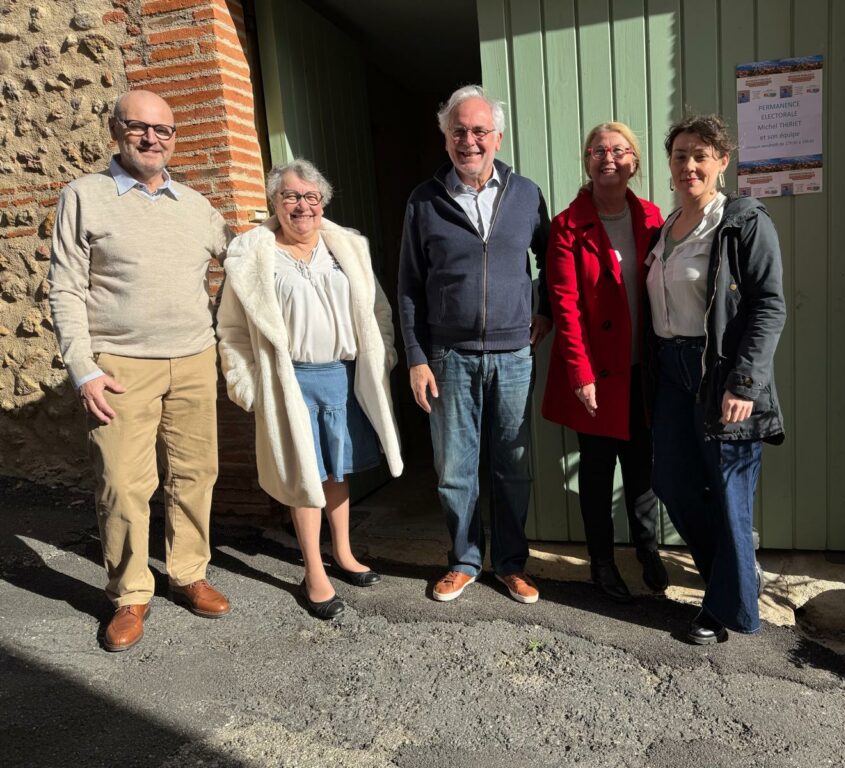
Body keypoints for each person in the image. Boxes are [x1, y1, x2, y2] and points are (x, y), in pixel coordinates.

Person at [49, 89, 233, 651]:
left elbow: (245, 265)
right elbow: (63, 288)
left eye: (164, 130)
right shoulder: (84, 196)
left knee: (195, 473)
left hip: (195, 358)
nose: (152, 138)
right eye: (139, 127)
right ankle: (130, 595)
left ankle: (188, 572)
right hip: (120, 365)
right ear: (116, 130)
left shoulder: (197, 206)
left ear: (175, 138)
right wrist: (83, 369)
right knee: (124, 484)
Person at [217, 159, 403, 620]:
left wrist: (385, 356)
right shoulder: (252, 255)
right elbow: (233, 332)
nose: (302, 206)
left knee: (337, 471)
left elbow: (377, 310)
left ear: (323, 202)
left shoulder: (347, 248)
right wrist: (250, 386)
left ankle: (343, 552)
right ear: (274, 203)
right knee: (305, 477)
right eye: (290, 197)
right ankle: (314, 571)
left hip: (341, 376)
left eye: (310, 197)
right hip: (289, 381)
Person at [398, 85, 551, 604]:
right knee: (455, 468)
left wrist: (545, 310)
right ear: (445, 139)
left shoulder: (526, 193)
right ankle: (464, 559)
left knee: (511, 465)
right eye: (458, 131)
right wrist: (417, 358)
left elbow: (551, 258)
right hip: (449, 356)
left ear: (497, 137)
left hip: (513, 354)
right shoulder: (424, 200)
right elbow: (409, 287)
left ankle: (510, 564)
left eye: (479, 131)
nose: (470, 140)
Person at [647, 114, 785, 644]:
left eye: (701, 155)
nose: (689, 165)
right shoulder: (667, 226)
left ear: (722, 162)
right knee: (673, 483)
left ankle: (725, 608)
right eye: (681, 155)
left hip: (721, 373)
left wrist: (744, 382)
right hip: (671, 371)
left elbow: (768, 306)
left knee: (729, 492)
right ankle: (735, 578)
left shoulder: (742, 221)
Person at [542, 122, 668, 602]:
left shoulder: (654, 218)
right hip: (595, 374)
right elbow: (565, 305)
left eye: (618, 150)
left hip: (643, 371)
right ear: (587, 161)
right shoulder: (567, 225)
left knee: (642, 469)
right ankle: (601, 562)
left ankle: (647, 548)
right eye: (597, 149)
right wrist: (580, 374)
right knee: (597, 475)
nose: (608, 157)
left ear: (634, 161)